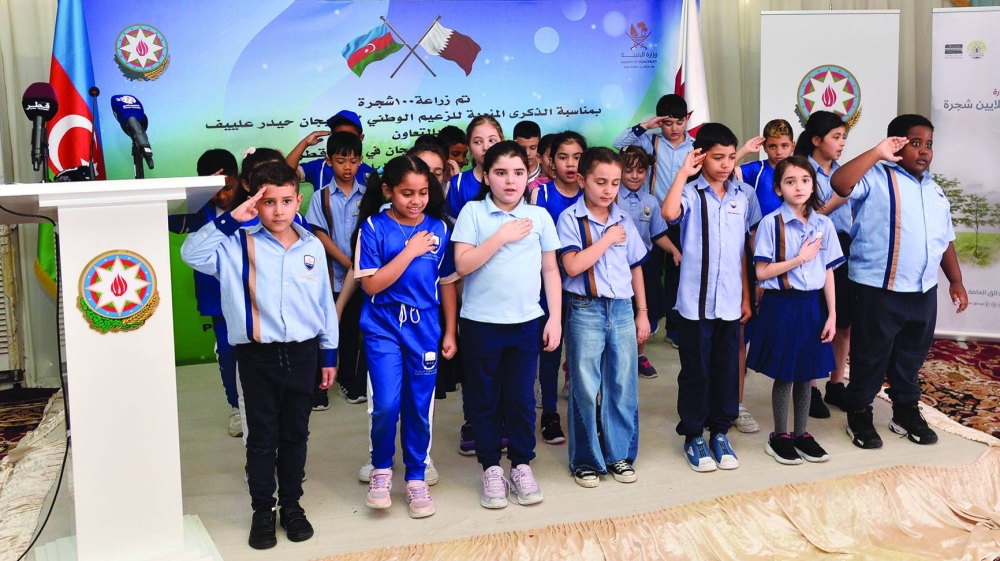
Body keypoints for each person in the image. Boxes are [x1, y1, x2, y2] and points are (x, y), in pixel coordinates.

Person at [181, 161, 338, 550]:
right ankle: (262, 510)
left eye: (286, 201)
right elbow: (190, 253)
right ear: (254, 201)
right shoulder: (234, 244)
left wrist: (329, 353)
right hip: (256, 357)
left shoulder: (311, 245)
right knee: (262, 439)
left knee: (296, 434)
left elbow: (323, 303)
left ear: (297, 200)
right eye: (268, 202)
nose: (279, 210)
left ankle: (291, 505)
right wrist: (232, 219)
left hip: (302, 354)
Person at [830, 114, 968, 450]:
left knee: (911, 356)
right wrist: (876, 153)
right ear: (896, 144)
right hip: (879, 289)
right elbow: (839, 183)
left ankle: (904, 410)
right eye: (915, 143)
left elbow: (944, 239)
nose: (924, 151)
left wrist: (956, 280)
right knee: (870, 355)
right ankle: (859, 411)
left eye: (929, 144)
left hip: (922, 291)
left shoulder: (935, 191)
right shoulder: (875, 176)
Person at [453, 141, 562, 508]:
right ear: (485, 176)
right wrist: (501, 235)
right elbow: (463, 265)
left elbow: (550, 270)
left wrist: (555, 319)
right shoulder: (472, 213)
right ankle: (490, 469)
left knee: (520, 399)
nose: (510, 181)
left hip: (525, 324)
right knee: (483, 400)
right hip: (480, 325)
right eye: (500, 173)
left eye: (518, 173)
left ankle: (520, 464)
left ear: (527, 175)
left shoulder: (540, 217)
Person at [356, 155, 458, 519]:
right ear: (388, 191)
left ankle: (415, 476)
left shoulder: (441, 228)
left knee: (419, 405)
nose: (416, 201)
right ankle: (382, 469)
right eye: (406, 193)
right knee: (385, 403)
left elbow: (446, 283)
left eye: (422, 193)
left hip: (425, 328)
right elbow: (371, 285)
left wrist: (450, 329)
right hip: (383, 325)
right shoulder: (372, 227)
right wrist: (410, 250)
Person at [661, 123, 756, 473]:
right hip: (694, 304)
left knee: (725, 370)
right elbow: (669, 214)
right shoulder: (690, 193)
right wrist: (684, 172)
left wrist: (746, 298)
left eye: (731, 157)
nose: (726, 164)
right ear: (701, 157)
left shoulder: (741, 196)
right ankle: (693, 435)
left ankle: (719, 431)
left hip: (730, 303)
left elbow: (743, 251)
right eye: (718, 157)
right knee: (695, 372)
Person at [558, 146, 650, 487]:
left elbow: (636, 267)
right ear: (582, 180)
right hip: (585, 308)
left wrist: (642, 312)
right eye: (600, 182)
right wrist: (607, 238)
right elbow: (572, 265)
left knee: (623, 382)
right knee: (585, 384)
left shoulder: (624, 217)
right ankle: (586, 460)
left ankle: (619, 455)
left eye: (614, 182)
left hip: (623, 308)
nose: (608, 190)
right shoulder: (570, 219)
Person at [748, 156, 843, 465]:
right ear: (778, 189)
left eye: (804, 180)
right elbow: (761, 273)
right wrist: (799, 259)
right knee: (786, 374)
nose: (798, 187)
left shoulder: (823, 224)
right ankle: (779, 436)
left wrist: (832, 314)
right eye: (790, 181)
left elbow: (828, 271)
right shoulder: (770, 223)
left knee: (808, 374)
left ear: (813, 184)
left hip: (812, 304)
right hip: (782, 305)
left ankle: (802, 433)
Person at [168, 149, 242, 436]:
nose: (222, 196)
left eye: (228, 187)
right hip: (218, 298)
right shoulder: (198, 211)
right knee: (227, 351)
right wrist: (196, 194)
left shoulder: (253, 206)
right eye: (214, 190)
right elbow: (169, 219)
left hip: (251, 295)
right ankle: (236, 407)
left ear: (238, 180)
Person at [304, 131, 367, 407]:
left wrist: (357, 265)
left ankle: (349, 383)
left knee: (352, 333)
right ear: (328, 161)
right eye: (341, 161)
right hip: (329, 279)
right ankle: (319, 388)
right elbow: (318, 233)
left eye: (353, 161)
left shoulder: (367, 195)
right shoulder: (321, 197)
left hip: (361, 280)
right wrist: (345, 260)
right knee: (324, 331)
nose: (347, 167)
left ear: (361, 161)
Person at [794, 110, 851, 417]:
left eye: (844, 137)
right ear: (816, 140)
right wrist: (839, 198)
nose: (841, 143)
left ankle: (837, 383)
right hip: (812, 251)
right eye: (836, 137)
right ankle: (811, 388)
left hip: (845, 247)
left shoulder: (845, 171)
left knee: (843, 320)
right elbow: (806, 212)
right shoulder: (802, 170)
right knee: (818, 321)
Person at [531, 130, 587, 434]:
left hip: (584, 289)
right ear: (551, 161)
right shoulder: (540, 195)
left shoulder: (592, 192)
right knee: (550, 350)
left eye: (577, 157)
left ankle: (583, 414)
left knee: (582, 354)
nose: (570, 164)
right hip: (548, 287)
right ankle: (550, 411)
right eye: (563, 157)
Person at [618, 146, 681, 379]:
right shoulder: (611, 197)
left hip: (644, 266)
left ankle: (638, 356)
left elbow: (657, 234)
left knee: (645, 311)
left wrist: (675, 250)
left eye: (641, 170)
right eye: (629, 170)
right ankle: (621, 358)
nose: (635, 176)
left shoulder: (651, 201)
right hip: (617, 267)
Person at [286, 110, 374, 193]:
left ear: (360, 138)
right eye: (338, 136)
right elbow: (285, 174)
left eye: (350, 136)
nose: (344, 141)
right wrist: (305, 142)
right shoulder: (318, 167)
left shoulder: (370, 174)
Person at [737, 119, 796, 218]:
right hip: (760, 230)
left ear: (793, 146)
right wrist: (744, 150)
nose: (779, 152)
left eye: (784, 146)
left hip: (792, 231)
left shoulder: (800, 171)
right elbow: (724, 171)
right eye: (772, 146)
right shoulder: (756, 169)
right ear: (764, 147)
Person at [446, 116, 503, 218]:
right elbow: (453, 223)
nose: (486, 147)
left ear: (502, 141)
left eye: (492, 140)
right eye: (478, 142)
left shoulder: (513, 179)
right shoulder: (458, 183)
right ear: (469, 147)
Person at [513, 120, 544, 188]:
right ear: (514, 144)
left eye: (533, 148)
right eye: (523, 148)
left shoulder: (547, 173)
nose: (527, 153)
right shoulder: (508, 175)